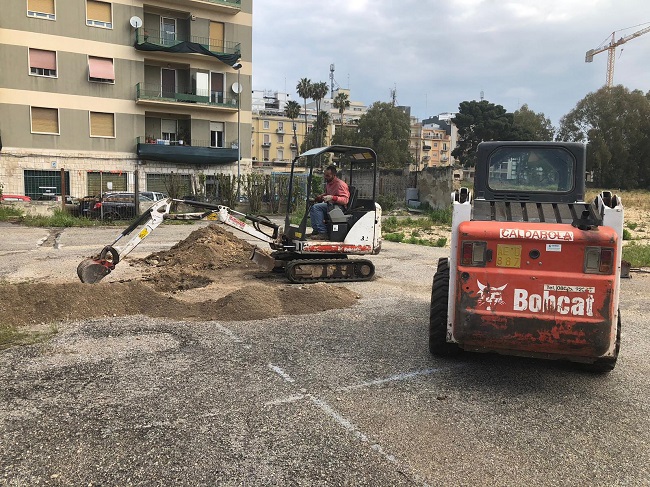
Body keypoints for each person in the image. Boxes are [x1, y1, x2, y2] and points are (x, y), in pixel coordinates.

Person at [308, 165, 350, 240]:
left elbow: (345, 200)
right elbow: (327, 194)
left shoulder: (340, 185)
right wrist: (318, 198)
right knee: (313, 207)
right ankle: (316, 230)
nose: (325, 177)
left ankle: (323, 232)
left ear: (334, 175)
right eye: (324, 175)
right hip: (331, 205)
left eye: (327, 175)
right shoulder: (329, 183)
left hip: (340, 207)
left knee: (317, 208)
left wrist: (332, 198)